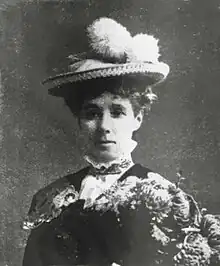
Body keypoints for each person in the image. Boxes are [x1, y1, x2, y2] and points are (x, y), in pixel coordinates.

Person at [22, 17, 220, 266]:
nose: (105, 127)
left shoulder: (164, 197)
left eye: (117, 112)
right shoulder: (51, 198)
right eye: (92, 113)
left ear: (138, 117)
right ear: (79, 119)